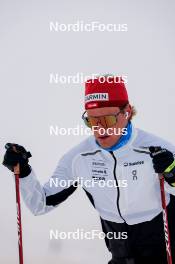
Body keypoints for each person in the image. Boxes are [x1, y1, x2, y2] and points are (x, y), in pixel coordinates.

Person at [3, 75, 175, 264]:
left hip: (166, 252)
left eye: (108, 119)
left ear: (127, 112)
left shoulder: (158, 150)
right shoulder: (80, 158)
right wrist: (24, 172)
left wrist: (172, 174)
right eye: (92, 121)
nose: (100, 128)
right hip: (121, 255)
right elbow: (40, 204)